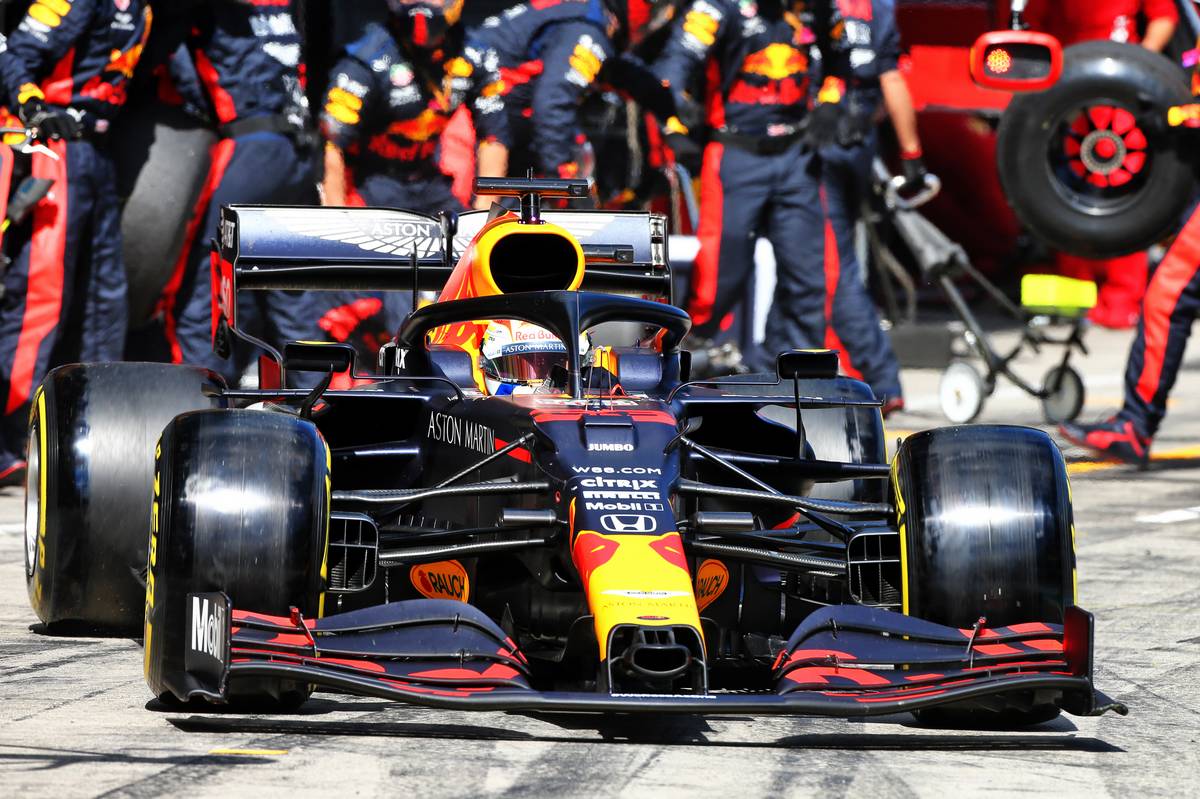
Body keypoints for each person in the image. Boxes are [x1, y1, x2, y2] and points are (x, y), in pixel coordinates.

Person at [654, 1, 900, 401]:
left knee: (809, 277)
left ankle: (805, 390)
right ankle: (679, 371)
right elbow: (674, 65)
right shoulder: (716, 8)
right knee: (717, 280)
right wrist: (674, 123)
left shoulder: (817, 9)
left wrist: (831, 103)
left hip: (797, 155)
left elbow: (842, 60)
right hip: (734, 153)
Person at [0, 0, 152, 484]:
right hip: (55, 151)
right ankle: (8, 438)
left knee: (104, 302)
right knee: (43, 296)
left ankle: (87, 439)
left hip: (99, 155)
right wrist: (34, 105)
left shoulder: (149, 9)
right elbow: (14, 53)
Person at [319, 0, 510, 341]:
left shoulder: (475, 53)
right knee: (399, 301)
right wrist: (337, 230)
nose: (421, 5)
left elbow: (494, 136)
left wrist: (480, 225)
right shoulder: (364, 61)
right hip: (375, 187)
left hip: (430, 181)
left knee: (477, 263)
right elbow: (331, 147)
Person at [159, 0, 321, 384]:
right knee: (291, 288)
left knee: (210, 273)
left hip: (249, 147)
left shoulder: (213, 13)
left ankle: (201, 400)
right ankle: (320, 409)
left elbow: (171, 65)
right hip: (298, 151)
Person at [1025, 0, 1178, 330]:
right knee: (1062, 197)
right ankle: (1079, 295)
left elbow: (1165, 18)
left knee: (1124, 200)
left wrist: (1138, 66)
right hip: (1068, 97)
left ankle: (1123, 299)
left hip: (1120, 101)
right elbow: (1032, 24)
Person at [813, 0, 917, 411]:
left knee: (832, 266)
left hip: (817, 141)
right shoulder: (881, 6)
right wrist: (912, 154)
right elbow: (890, 77)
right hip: (857, 142)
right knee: (835, 262)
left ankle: (879, 378)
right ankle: (864, 372)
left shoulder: (812, 8)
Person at [468, 0, 672, 179]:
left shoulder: (585, 14)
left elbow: (614, 70)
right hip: (475, 124)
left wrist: (665, 104)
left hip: (495, 119)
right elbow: (552, 103)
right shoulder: (586, 28)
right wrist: (562, 178)